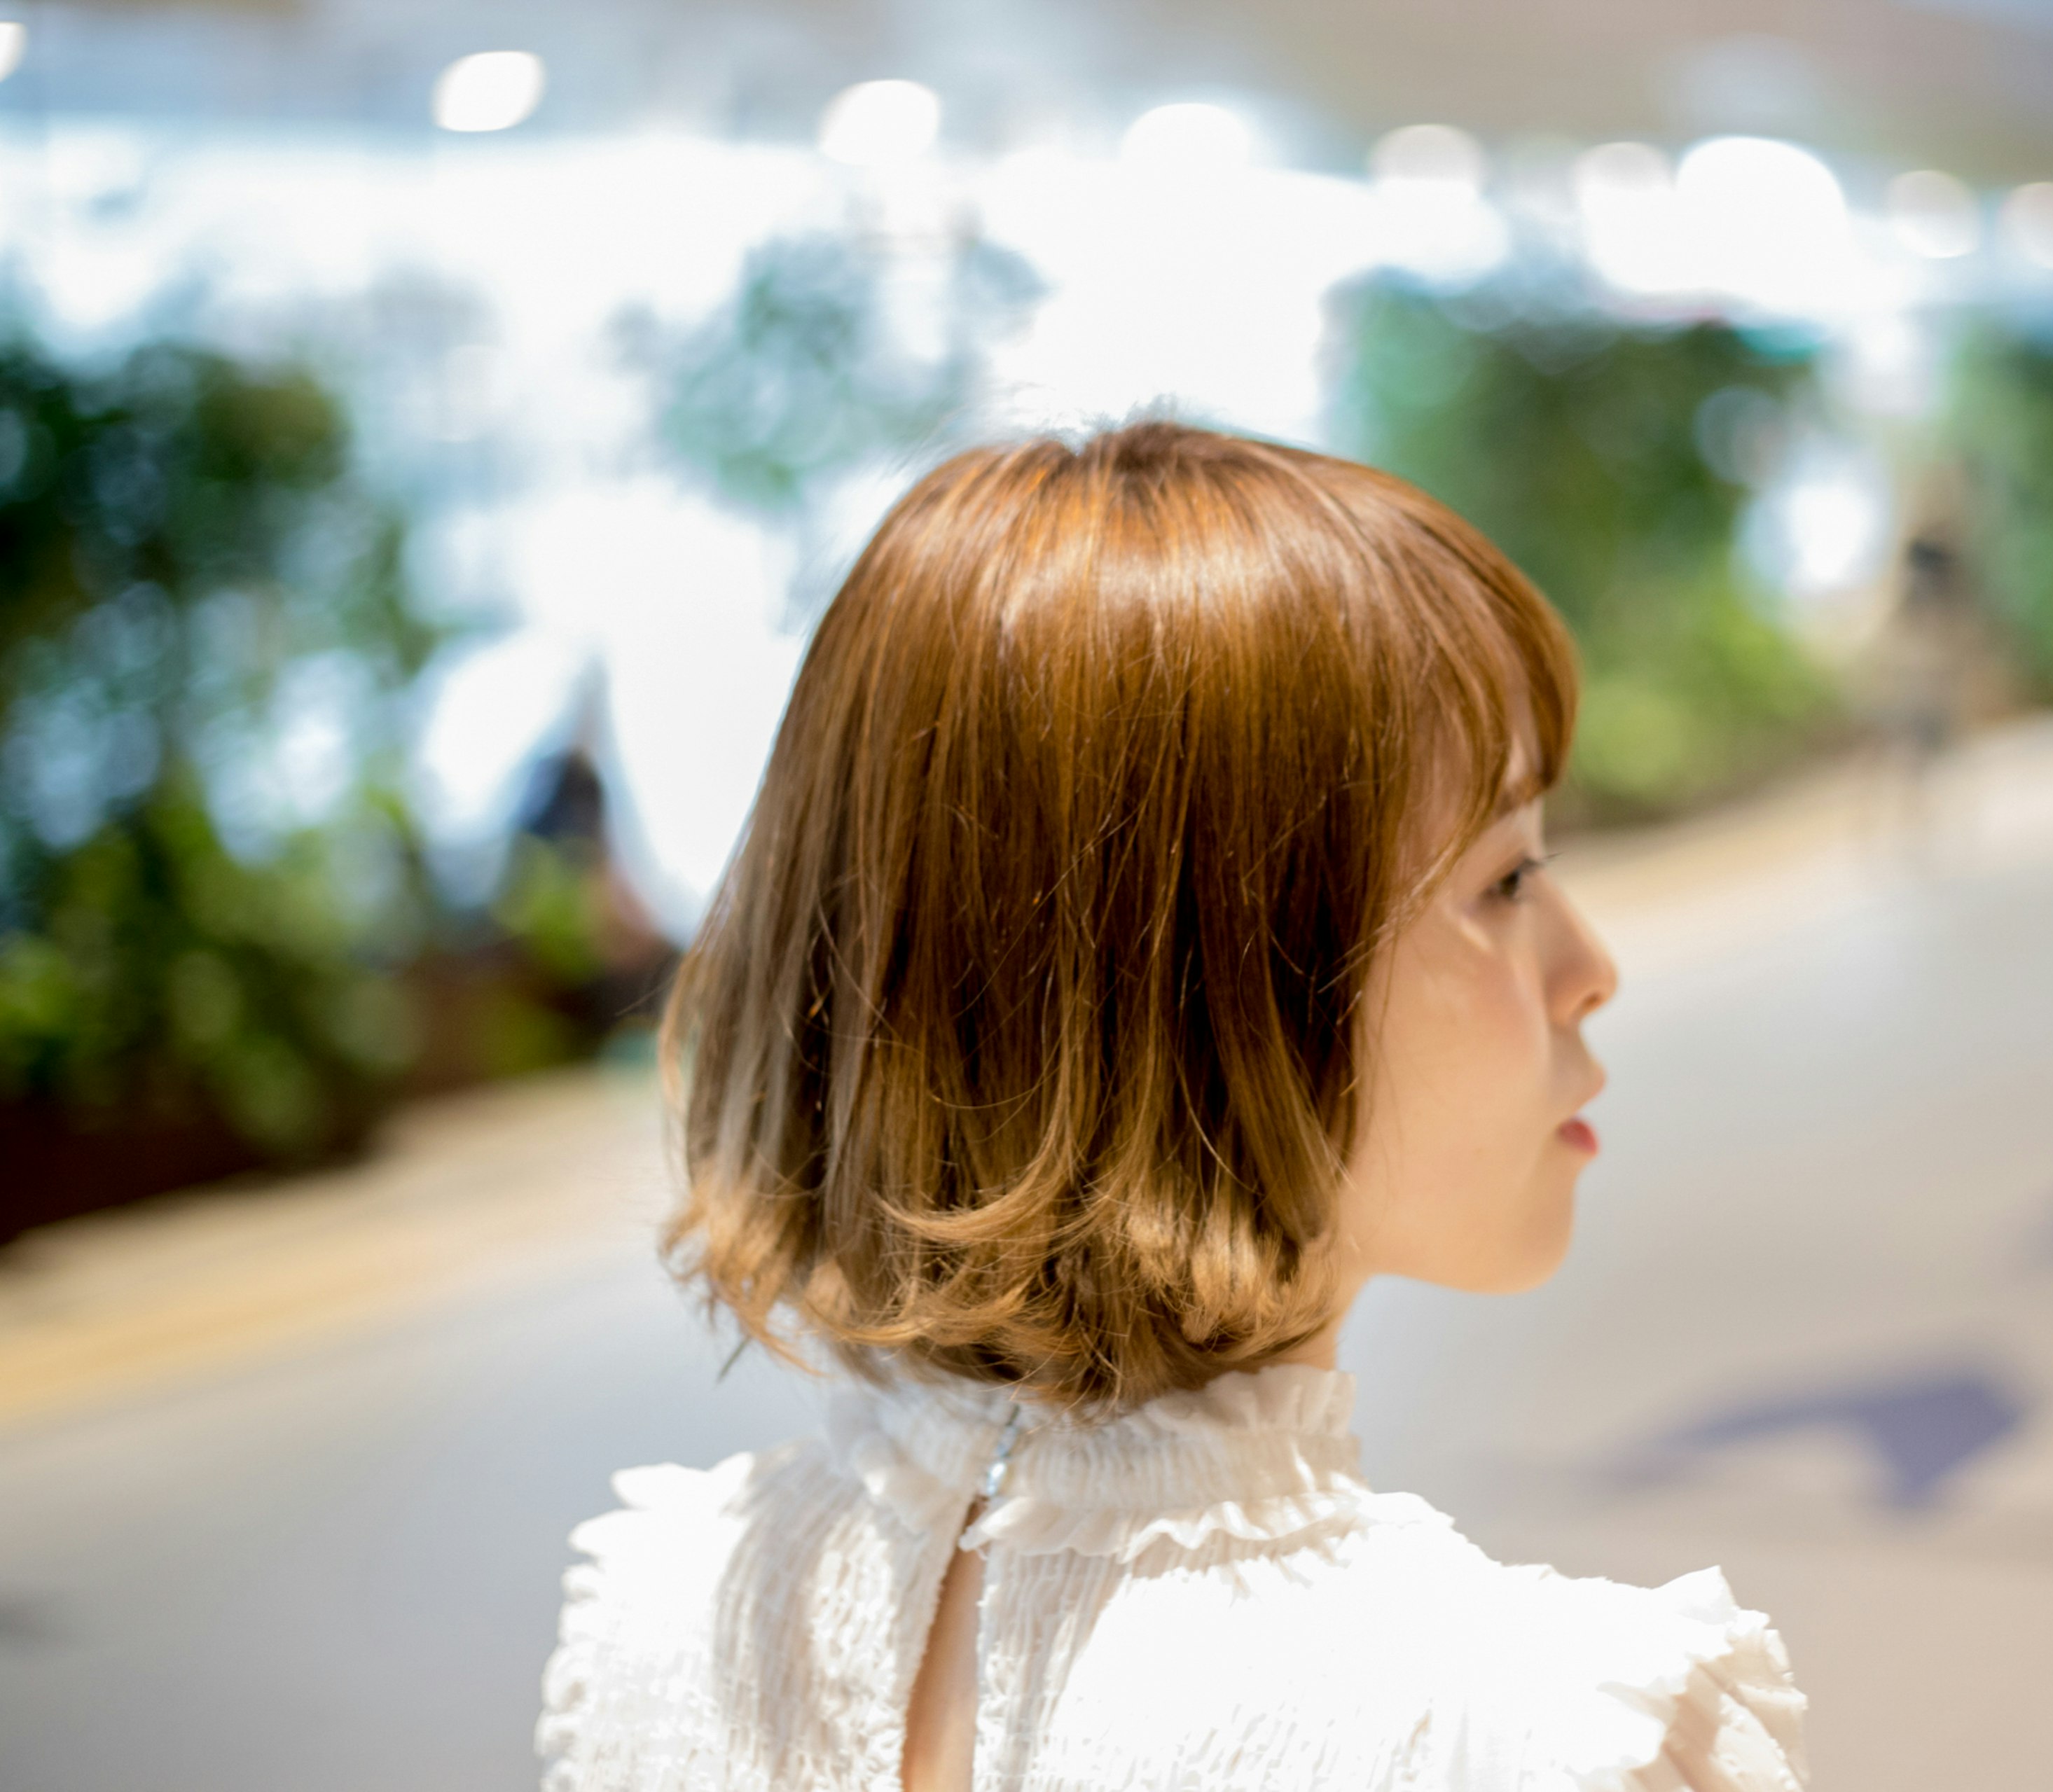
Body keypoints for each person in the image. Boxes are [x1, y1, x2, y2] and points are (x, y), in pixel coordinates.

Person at [536, 422, 1809, 1791]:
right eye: (1503, 879)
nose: (1590, 968)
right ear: (1211, 992)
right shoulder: (1524, 1728)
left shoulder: (665, 1624)